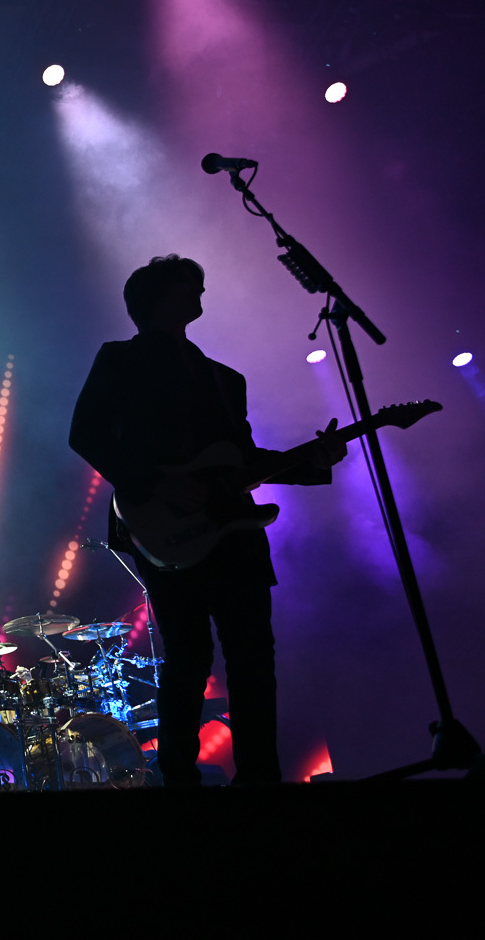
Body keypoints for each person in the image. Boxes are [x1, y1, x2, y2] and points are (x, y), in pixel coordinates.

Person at [68, 255, 346, 786]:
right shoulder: (121, 359)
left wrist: (315, 461)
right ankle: (178, 777)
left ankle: (260, 775)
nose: (200, 295)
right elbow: (86, 433)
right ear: (156, 299)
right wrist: (157, 483)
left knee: (253, 654)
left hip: (234, 526)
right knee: (189, 653)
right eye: (188, 288)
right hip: (161, 527)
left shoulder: (225, 379)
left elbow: (243, 459)